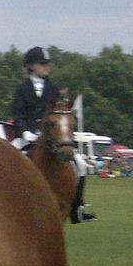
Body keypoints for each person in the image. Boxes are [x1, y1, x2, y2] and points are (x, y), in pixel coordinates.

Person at [12, 47, 96, 222]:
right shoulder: (22, 89)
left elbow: (61, 114)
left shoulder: (53, 89)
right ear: (31, 66)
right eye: (42, 64)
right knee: (8, 159)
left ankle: (77, 207)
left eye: (47, 64)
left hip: (51, 137)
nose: (46, 67)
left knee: (80, 165)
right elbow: (18, 114)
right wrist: (25, 132)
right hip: (26, 136)